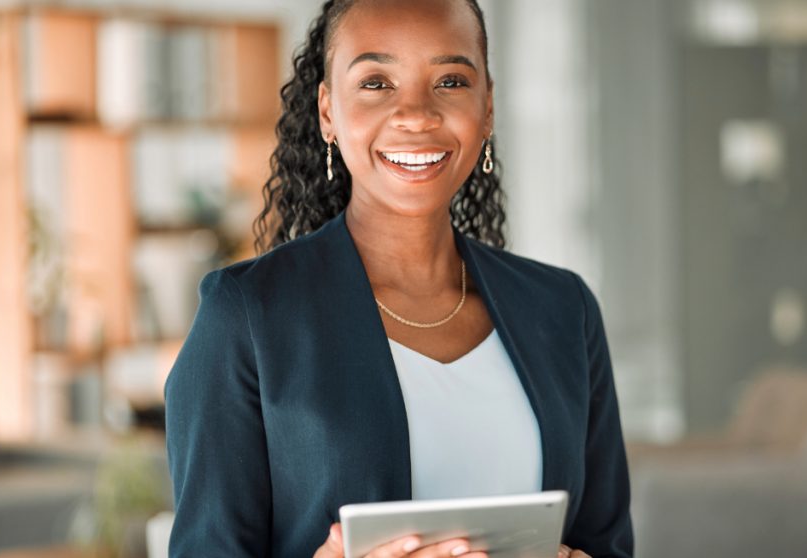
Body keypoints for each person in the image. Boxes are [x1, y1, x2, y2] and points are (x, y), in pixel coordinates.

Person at [163, 0, 633, 556]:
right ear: (327, 112)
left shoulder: (563, 310)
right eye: (377, 82)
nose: (416, 114)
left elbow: (608, 544)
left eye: (451, 80)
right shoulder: (246, 316)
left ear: (487, 109)